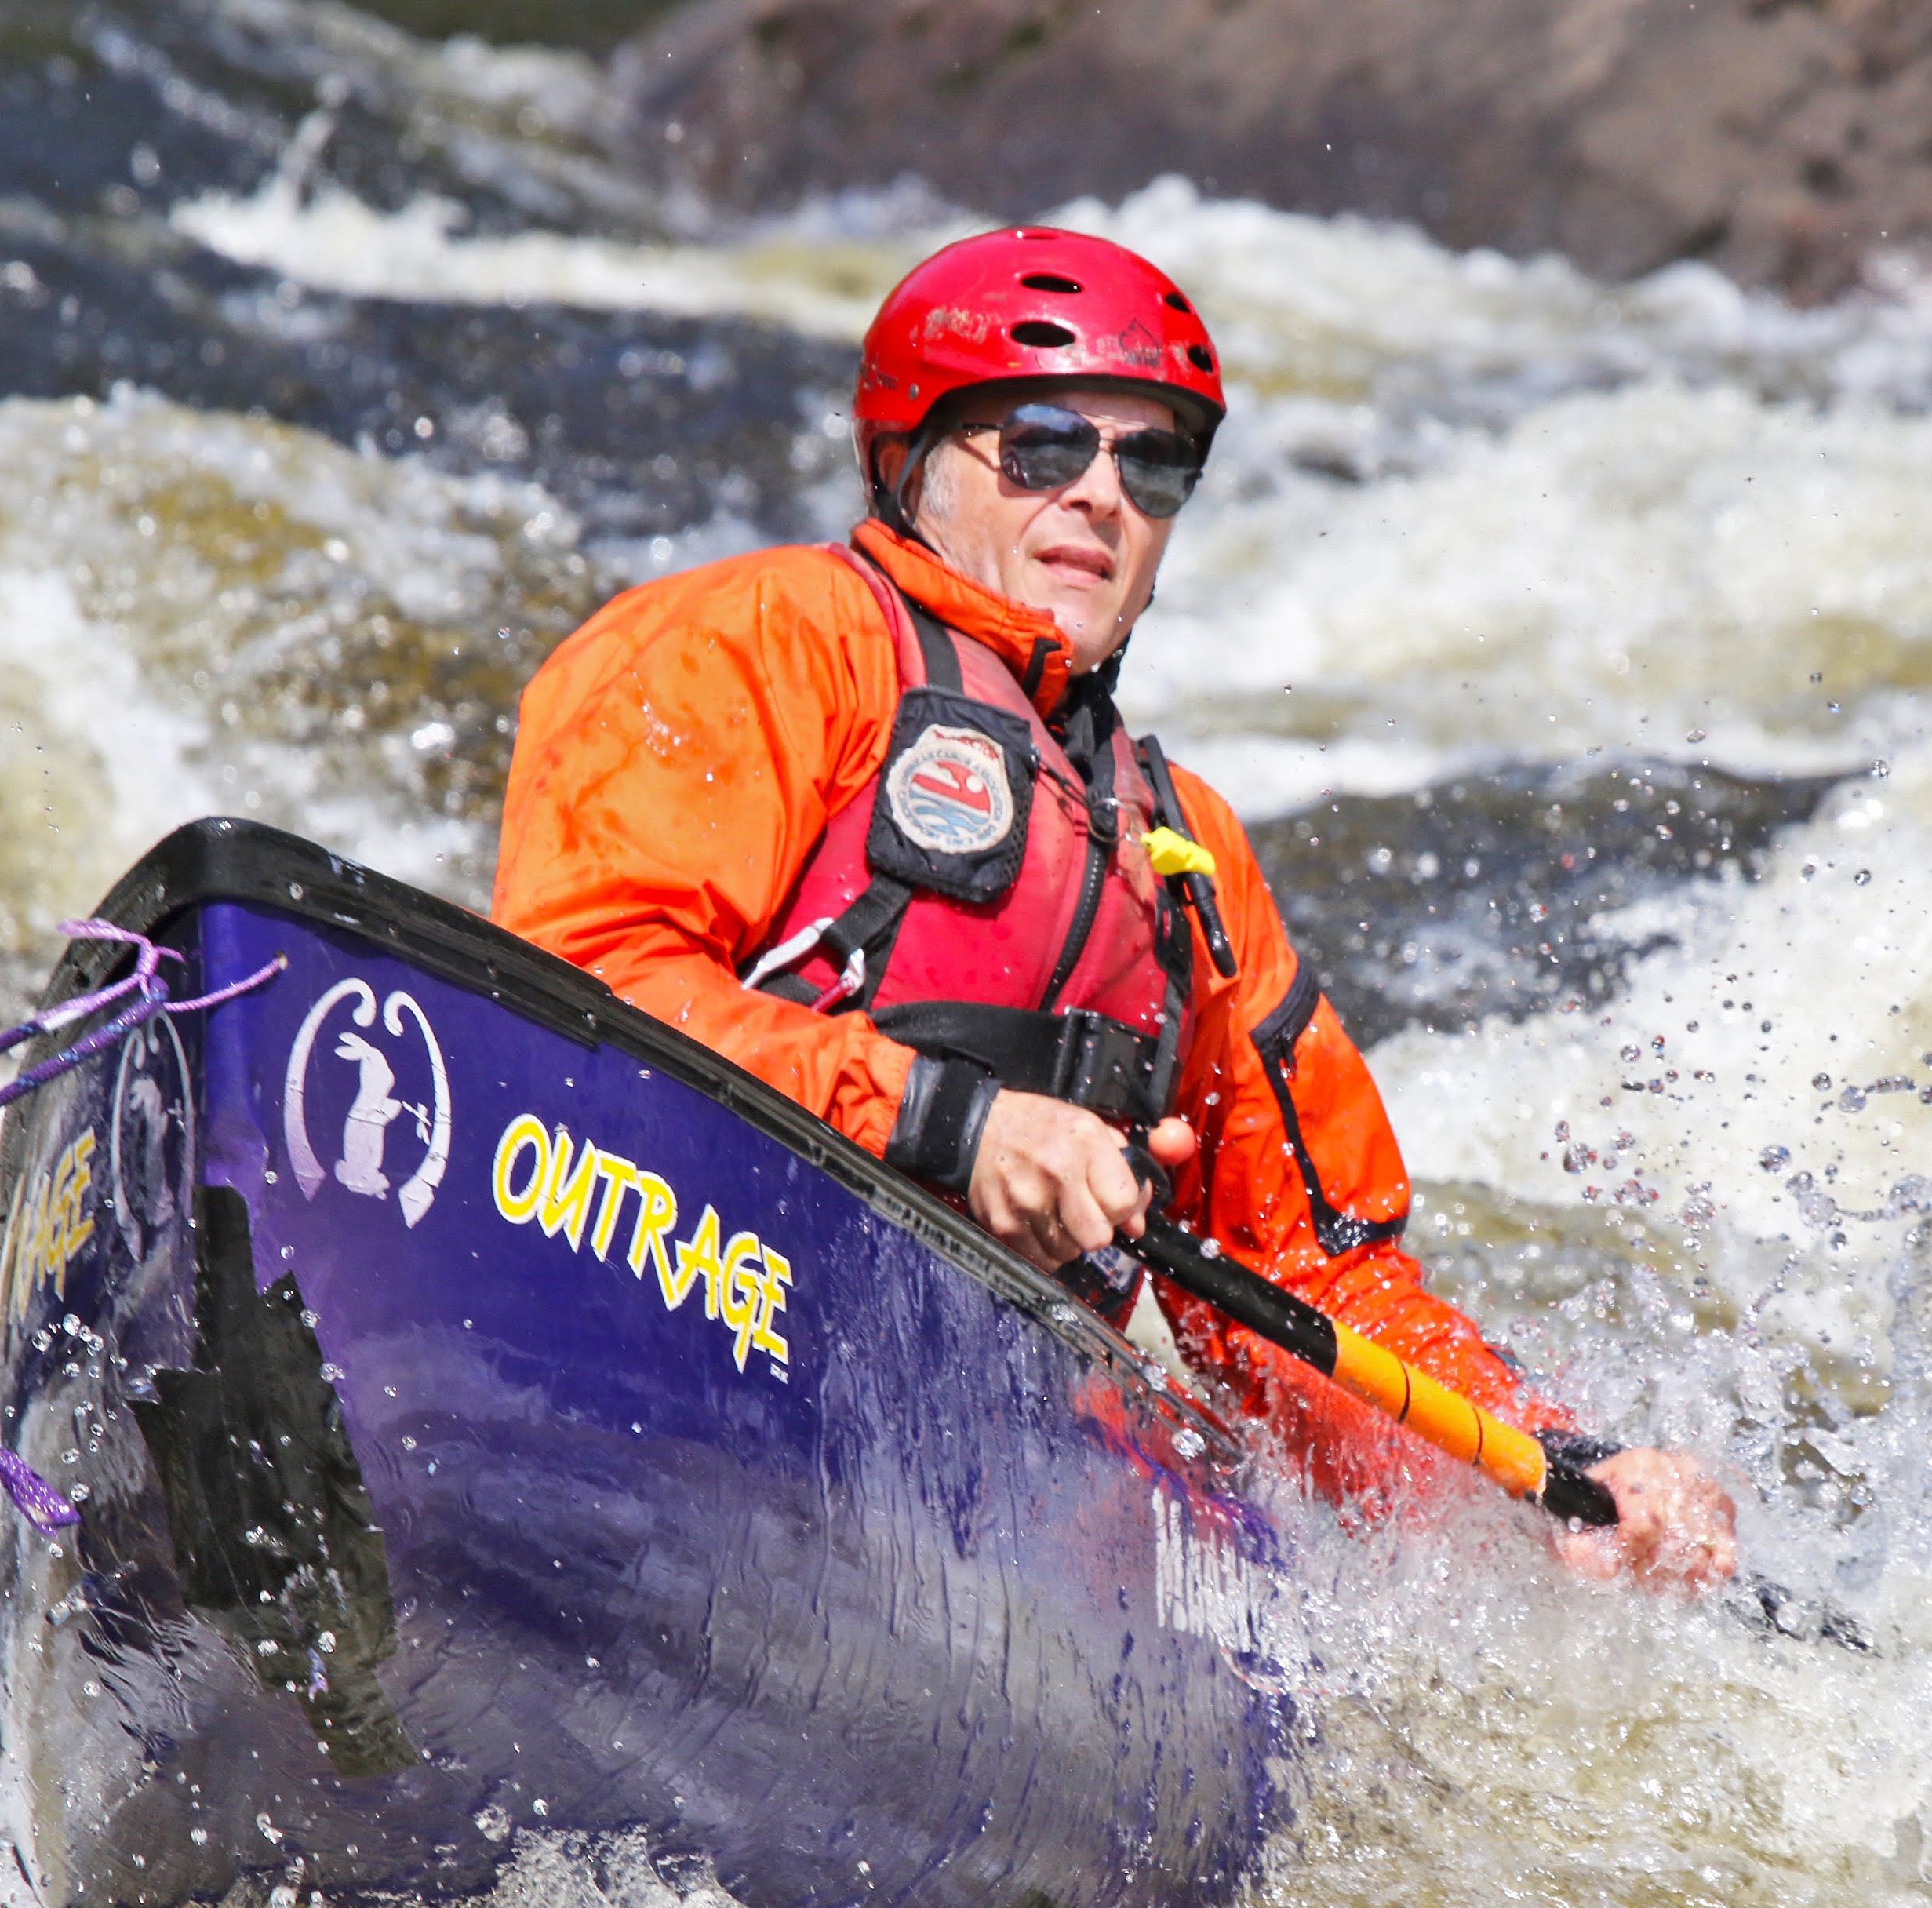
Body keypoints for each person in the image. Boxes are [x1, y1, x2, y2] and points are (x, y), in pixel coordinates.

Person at [493, 228, 1735, 1590]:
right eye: (1040, 445)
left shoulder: (1187, 856)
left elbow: (1307, 1286)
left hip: (993, 1457)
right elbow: (571, 989)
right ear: (908, 461)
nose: (1100, 494)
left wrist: (1553, 1472)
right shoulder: (765, 639)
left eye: (1152, 466)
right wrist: (952, 1123)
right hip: (711, 1298)